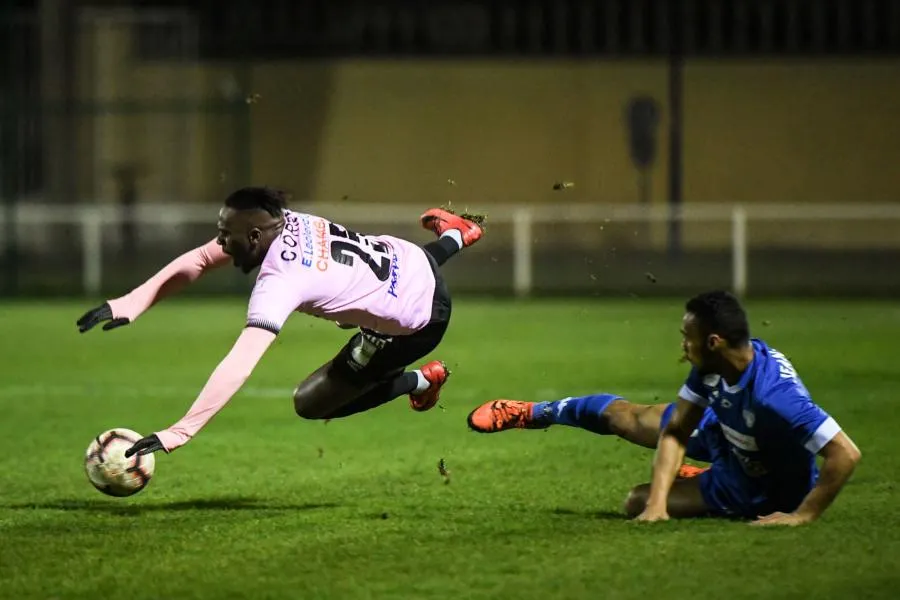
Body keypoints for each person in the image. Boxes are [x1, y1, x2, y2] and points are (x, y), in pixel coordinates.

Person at [76, 187, 485, 458]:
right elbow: (200, 261)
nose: (219, 243)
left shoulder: (279, 281)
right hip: (406, 257)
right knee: (403, 273)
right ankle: (456, 235)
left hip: (419, 322)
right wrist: (131, 302)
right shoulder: (282, 220)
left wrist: (180, 431)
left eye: (224, 234)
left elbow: (239, 363)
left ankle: (422, 381)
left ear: (254, 236)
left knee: (311, 402)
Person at [467, 291, 861, 526]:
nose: (681, 346)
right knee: (624, 418)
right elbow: (676, 430)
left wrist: (803, 515)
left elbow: (845, 453)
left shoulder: (775, 398)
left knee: (633, 501)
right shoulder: (719, 365)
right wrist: (660, 506)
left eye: (686, 338)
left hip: (754, 486)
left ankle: (699, 476)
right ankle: (534, 413)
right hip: (726, 427)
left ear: (714, 341)